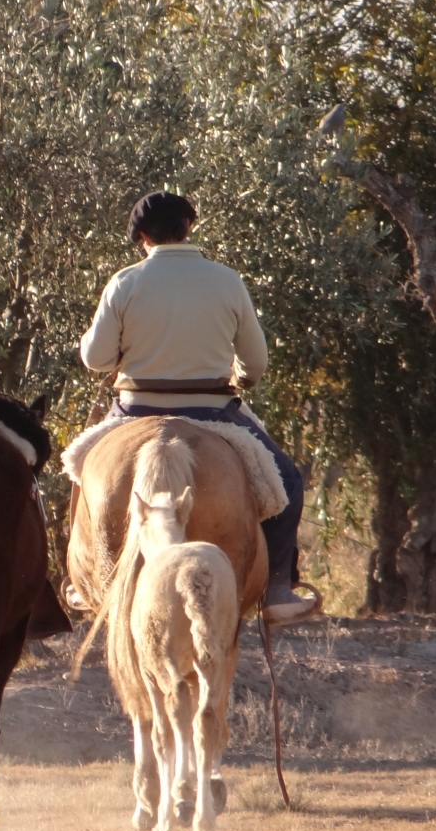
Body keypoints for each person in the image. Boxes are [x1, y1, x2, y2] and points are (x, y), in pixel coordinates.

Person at [79, 190, 317, 625]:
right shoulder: (227, 280)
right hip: (215, 412)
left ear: (143, 238)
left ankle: (83, 581)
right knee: (287, 482)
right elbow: (256, 363)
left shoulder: (125, 282)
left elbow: (95, 360)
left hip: (134, 411)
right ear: (189, 227)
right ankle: (279, 589)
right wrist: (239, 378)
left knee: (79, 468)